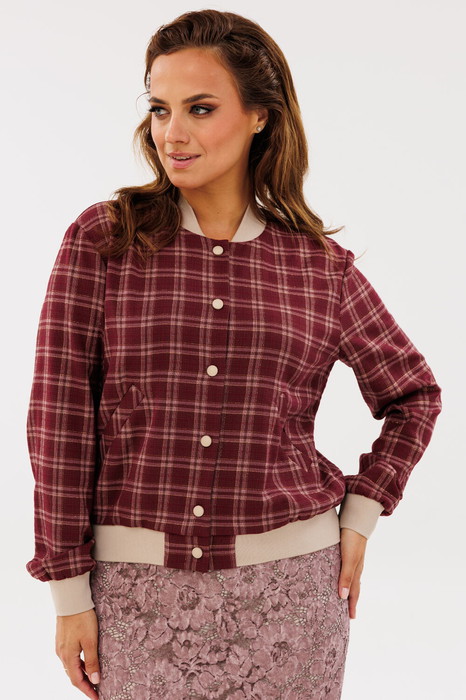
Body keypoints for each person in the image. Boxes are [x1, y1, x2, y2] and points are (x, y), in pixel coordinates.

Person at [25, 9, 442, 700]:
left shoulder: (319, 268)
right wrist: (68, 591)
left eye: (200, 108)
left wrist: (363, 511)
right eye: (159, 109)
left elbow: (414, 394)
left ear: (259, 117)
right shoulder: (105, 241)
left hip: (294, 598)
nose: (172, 132)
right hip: (135, 597)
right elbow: (60, 420)